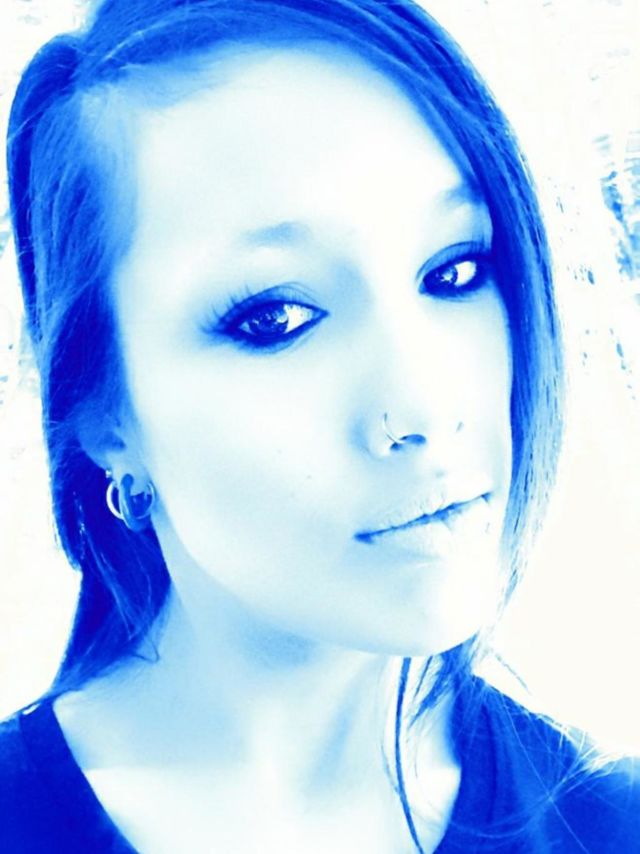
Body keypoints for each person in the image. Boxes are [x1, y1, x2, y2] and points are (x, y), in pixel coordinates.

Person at [1, 0, 638, 851]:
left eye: (454, 270)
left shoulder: (606, 825)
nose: (424, 408)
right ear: (103, 416)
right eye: (275, 319)